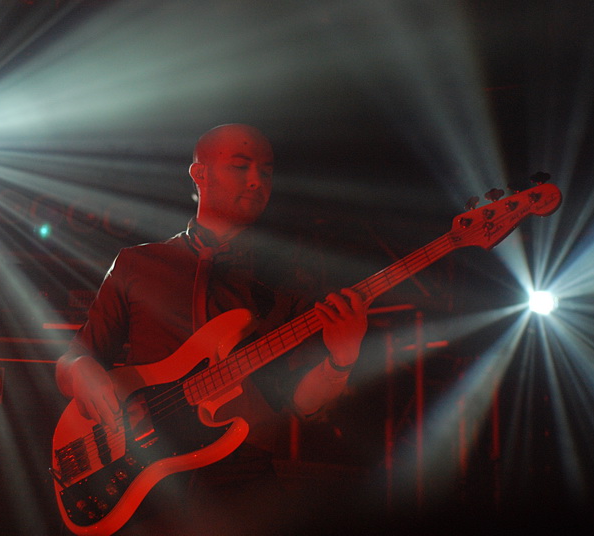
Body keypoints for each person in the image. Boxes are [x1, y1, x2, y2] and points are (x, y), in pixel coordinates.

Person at [55, 124, 369, 535]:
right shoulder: (138, 263)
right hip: (138, 471)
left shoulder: (288, 279)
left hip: (241, 481)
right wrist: (83, 371)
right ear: (199, 174)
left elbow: (302, 403)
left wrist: (341, 361)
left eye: (266, 171)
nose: (257, 180)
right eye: (241, 166)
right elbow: (73, 361)